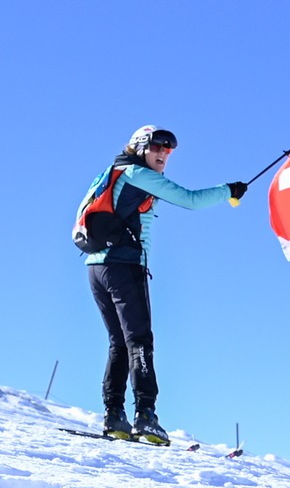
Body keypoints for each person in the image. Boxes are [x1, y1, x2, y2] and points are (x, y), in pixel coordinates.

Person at [73, 126, 247, 444]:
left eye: (169, 150)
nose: (164, 153)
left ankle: (114, 415)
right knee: (140, 341)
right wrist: (230, 190)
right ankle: (146, 415)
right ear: (140, 148)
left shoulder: (110, 173)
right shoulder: (137, 174)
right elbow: (190, 200)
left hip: (96, 268)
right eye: (157, 147)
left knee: (119, 342)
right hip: (124, 266)